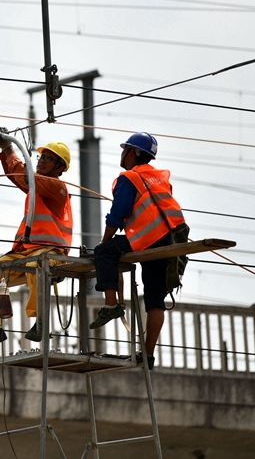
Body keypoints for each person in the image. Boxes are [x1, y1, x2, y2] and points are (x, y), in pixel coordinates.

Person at [89, 132, 185, 370]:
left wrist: (104, 242)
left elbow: (117, 213)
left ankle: (111, 305)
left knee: (105, 252)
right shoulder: (159, 178)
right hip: (171, 241)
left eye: (125, 149)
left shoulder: (129, 178)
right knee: (155, 301)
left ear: (132, 152)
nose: (122, 154)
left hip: (147, 239)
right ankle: (148, 355)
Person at [0, 128, 73, 352]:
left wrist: (9, 148)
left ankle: (40, 322)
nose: (42, 161)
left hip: (51, 253)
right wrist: (8, 151)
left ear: (60, 168)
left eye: (48, 159)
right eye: (41, 157)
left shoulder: (57, 187)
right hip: (26, 250)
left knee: (35, 264)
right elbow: (19, 176)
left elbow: (25, 177)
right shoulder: (36, 187)